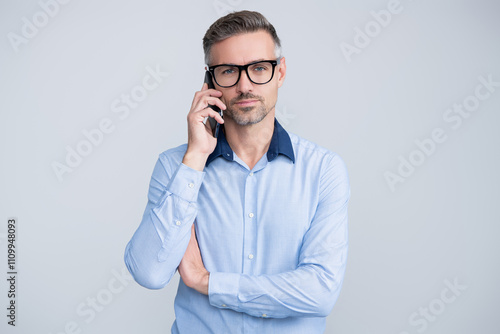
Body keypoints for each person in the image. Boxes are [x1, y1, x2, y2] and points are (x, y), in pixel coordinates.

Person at [124, 10, 350, 334]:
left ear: (280, 72)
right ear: (209, 80)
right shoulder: (178, 168)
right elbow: (149, 272)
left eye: (259, 68)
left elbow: (320, 293)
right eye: (229, 71)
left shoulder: (324, 170)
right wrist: (195, 158)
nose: (244, 86)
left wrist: (207, 282)